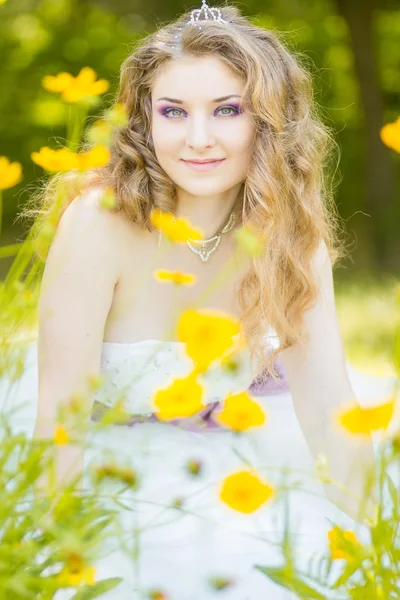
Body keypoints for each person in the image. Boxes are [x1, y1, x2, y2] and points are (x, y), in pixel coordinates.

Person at [1, 1, 398, 598]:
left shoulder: (289, 236)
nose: (199, 139)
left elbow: (328, 409)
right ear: (144, 121)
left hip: (231, 456)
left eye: (228, 110)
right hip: (106, 457)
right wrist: (56, 558)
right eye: (173, 112)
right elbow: (61, 420)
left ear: (270, 120)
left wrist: (373, 547)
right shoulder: (99, 225)